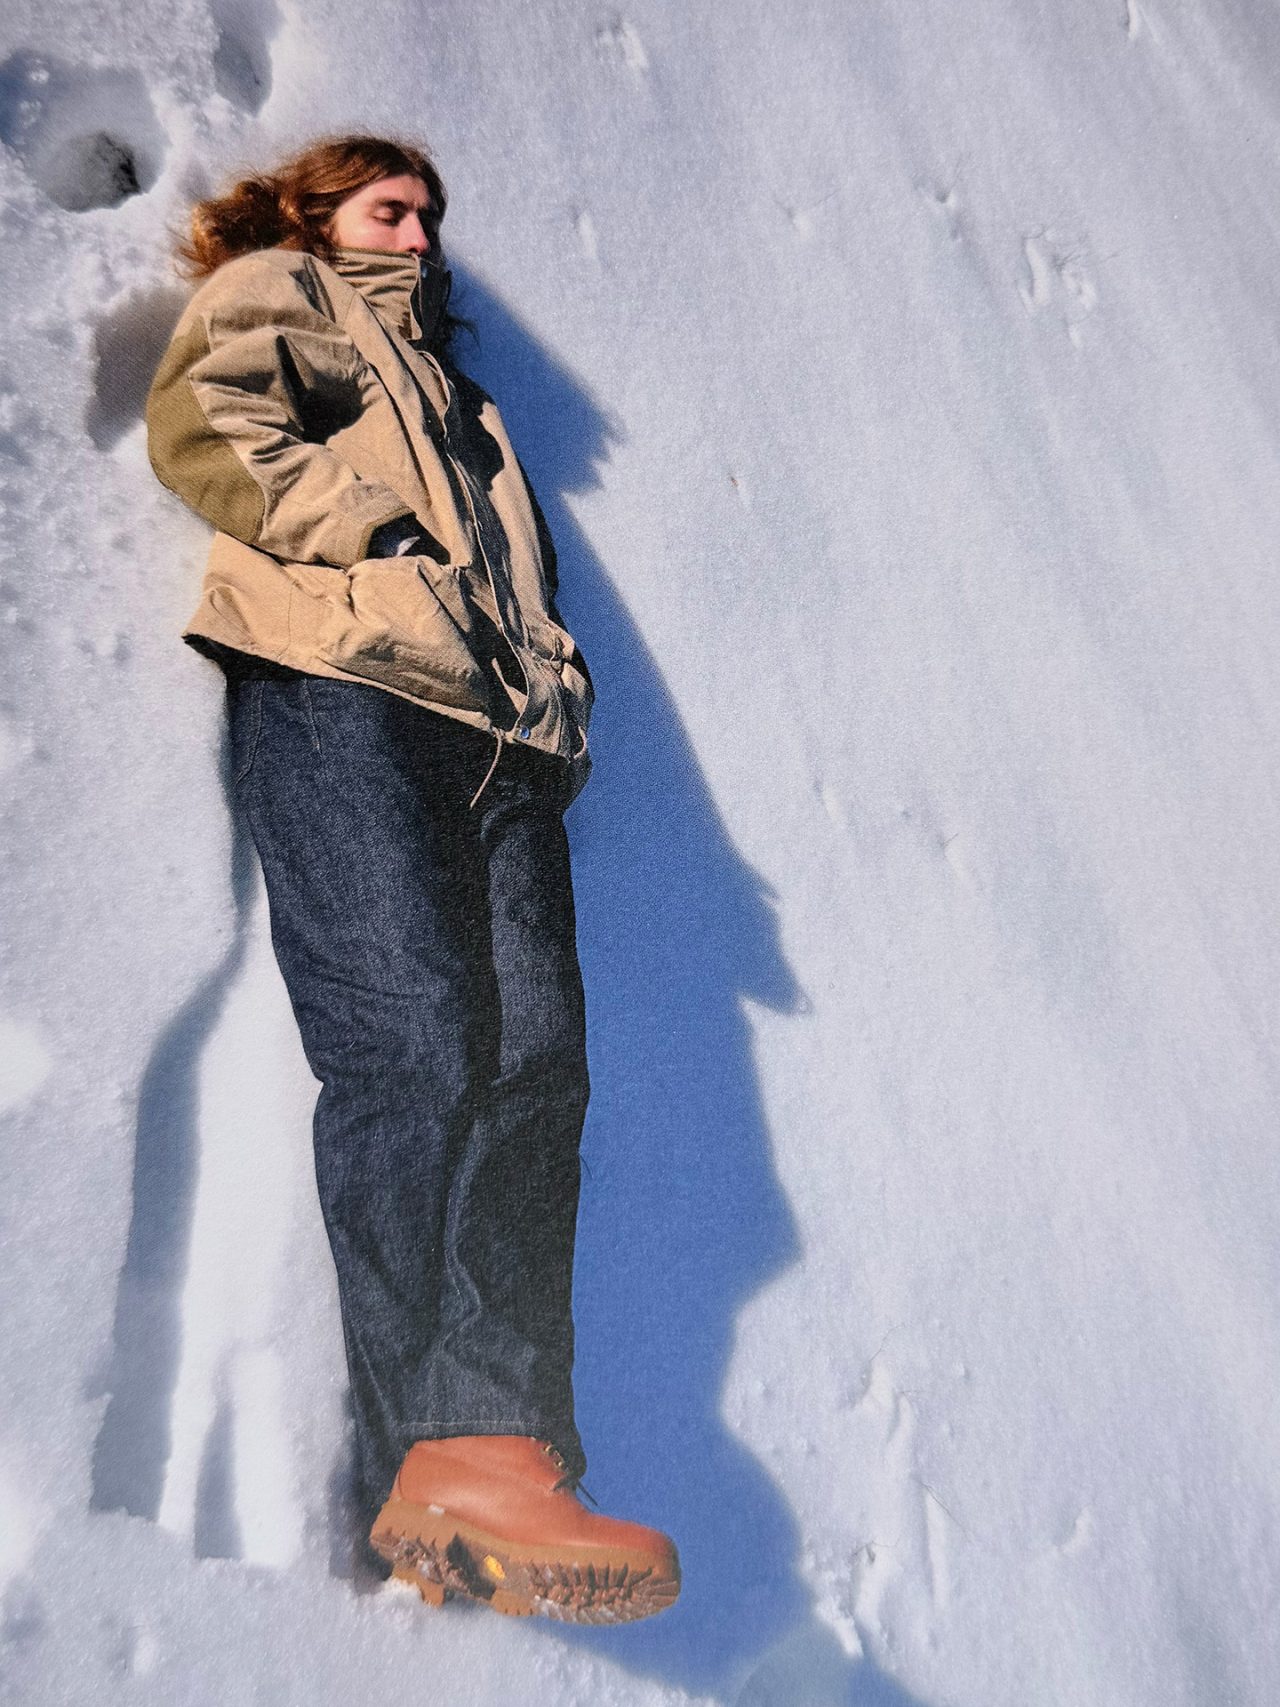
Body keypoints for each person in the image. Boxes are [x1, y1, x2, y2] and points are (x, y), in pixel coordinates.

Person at [145, 134, 679, 1624]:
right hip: (345, 686)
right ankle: (420, 1466)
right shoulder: (289, 291)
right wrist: (371, 538)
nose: (420, 234)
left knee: (539, 1067)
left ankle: (497, 1443)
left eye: (432, 216)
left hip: (500, 739)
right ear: (315, 213)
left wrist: (552, 677)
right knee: (416, 1047)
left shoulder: (461, 399)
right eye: (391, 207)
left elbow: (515, 577)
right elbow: (205, 418)